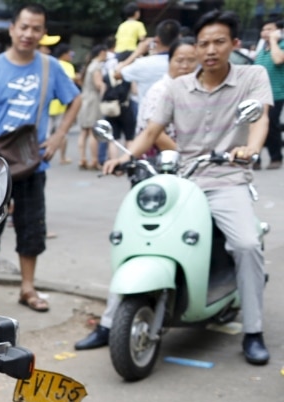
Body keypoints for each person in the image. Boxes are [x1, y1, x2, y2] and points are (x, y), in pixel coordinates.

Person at [79, 10, 273, 365]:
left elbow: (259, 117)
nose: (210, 50)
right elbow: (151, 132)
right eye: (203, 43)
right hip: (183, 179)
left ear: (233, 44)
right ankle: (110, 323)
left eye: (218, 42)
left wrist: (251, 149)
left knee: (246, 244)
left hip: (227, 178)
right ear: (195, 47)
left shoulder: (252, 75)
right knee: (136, 236)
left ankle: (253, 331)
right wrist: (125, 156)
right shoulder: (176, 87)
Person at [0, 3, 81, 312]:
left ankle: (27, 288)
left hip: (33, 164)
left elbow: (75, 100)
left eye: (36, 29)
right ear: (12, 28)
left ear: (43, 33)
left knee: (32, 227)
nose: (29, 34)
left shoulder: (50, 67)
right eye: (24, 27)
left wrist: (58, 137)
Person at [134, 37, 198, 141]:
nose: (185, 66)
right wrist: (184, 156)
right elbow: (157, 135)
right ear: (170, 61)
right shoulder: (160, 91)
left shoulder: (195, 89)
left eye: (191, 60)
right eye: (179, 60)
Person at [254, 19, 284, 169]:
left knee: (272, 124)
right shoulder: (262, 50)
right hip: (259, 95)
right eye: (264, 29)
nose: (266, 32)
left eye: (270, 29)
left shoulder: (280, 46)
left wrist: (274, 41)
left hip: (277, 93)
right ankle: (256, 159)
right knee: (256, 124)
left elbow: (278, 60)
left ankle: (276, 157)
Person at [48, 43, 76, 165]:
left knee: (46, 133)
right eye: (70, 54)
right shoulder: (67, 66)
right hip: (61, 106)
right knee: (62, 133)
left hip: (48, 105)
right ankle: (62, 157)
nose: (71, 56)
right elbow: (70, 83)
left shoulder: (49, 64)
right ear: (64, 54)